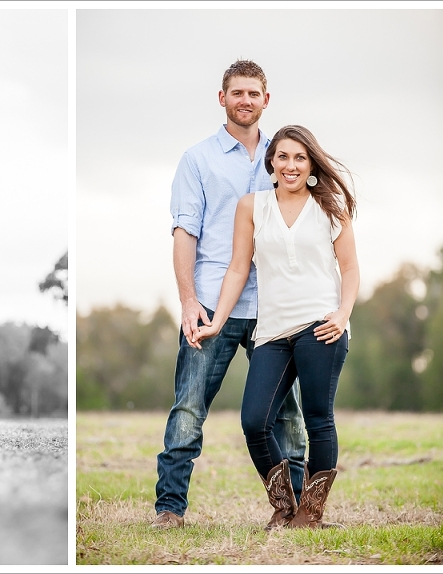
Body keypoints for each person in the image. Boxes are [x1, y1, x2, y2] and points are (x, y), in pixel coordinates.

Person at [153, 60, 307, 529]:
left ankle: (297, 507)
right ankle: (170, 508)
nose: (245, 100)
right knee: (189, 407)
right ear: (222, 98)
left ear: (266, 100)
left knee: (286, 415)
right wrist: (187, 301)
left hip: (274, 307)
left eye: (253, 93)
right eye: (236, 92)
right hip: (210, 305)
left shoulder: (281, 159)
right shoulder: (197, 159)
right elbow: (184, 233)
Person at [193, 124, 359, 529]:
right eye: (283, 156)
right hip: (272, 331)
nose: (291, 165)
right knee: (254, 421)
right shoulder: (252, 206)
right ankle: (284, 506)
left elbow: (351, 269)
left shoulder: (330, 206)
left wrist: (341, 314)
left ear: (311, 163)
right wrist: (216, 320)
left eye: (300, 157)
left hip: (321, 326)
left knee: (318, 417)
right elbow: (237, 268)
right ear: (272, 162)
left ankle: (310, 514)